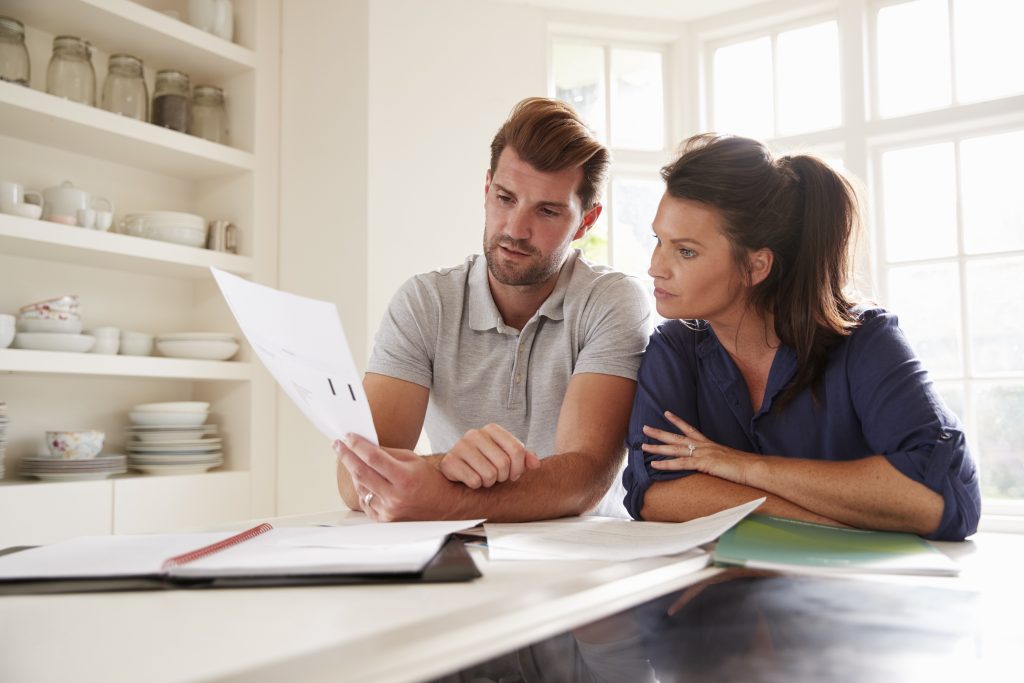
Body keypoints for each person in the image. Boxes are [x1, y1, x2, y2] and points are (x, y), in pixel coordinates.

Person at [623, 133, 980, 541]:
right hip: (725, 595)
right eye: (658, 240)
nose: (655, 267)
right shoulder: (675, 348)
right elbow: (656, 495)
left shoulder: (866, 341)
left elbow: (941, 499)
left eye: (685, 251)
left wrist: (741, 467)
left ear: (756, 266)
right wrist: (834, 522)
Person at [335, 97, 653, 522]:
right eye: (505, 198)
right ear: (486, 190)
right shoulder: (425, 302)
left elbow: (583, 481)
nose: (515, 229)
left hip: (584, 558)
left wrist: (442, 492)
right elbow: (354, 475)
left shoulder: (612, 301)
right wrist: (443, 465)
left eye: (547, 211)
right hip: (458, 551)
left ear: (586, 221)